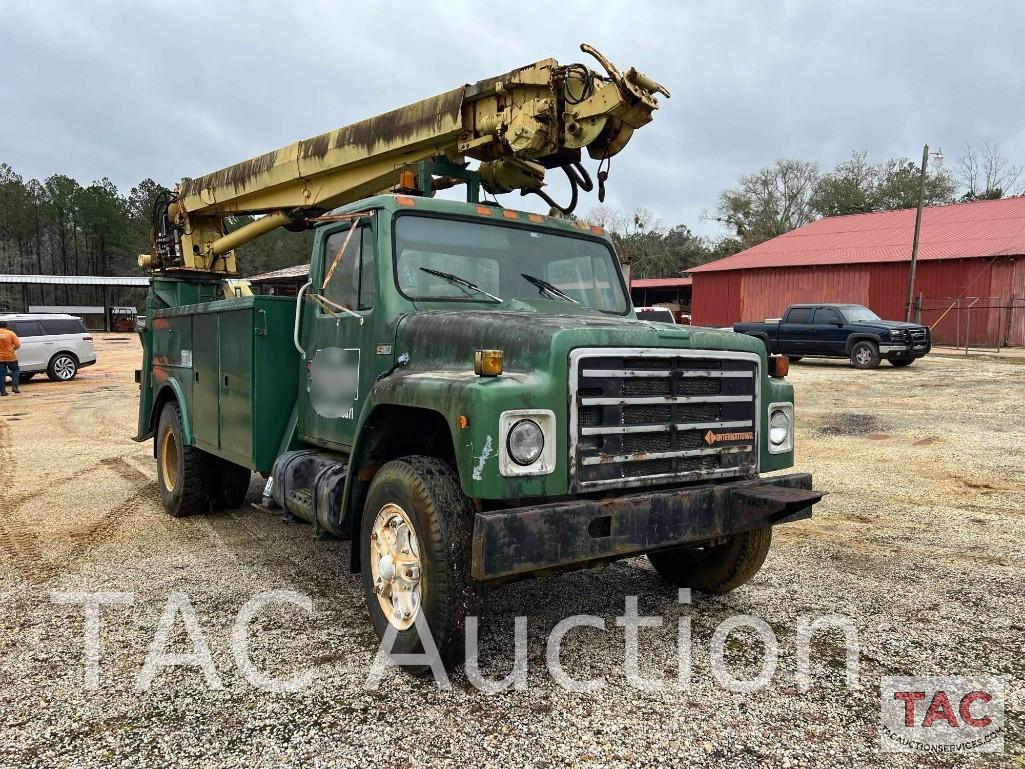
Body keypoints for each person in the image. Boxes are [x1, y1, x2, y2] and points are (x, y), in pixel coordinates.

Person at [0, 320, 21, 396]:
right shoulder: (10, 333)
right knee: (15, 370)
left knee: (1, 374)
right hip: (10, 357)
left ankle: (3, 392)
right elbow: (18, 345)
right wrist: (13, 348)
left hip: (0, 358)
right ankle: (15, 387)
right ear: (6, 326)